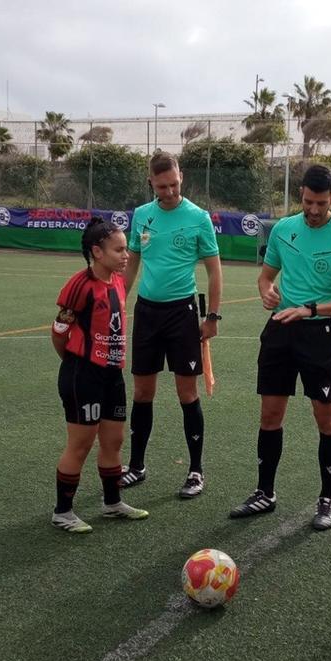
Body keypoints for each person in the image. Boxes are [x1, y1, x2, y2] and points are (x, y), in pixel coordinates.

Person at [229, 164, 331, 530]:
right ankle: (265, 492)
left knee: (326, 418)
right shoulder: (284, 229)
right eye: (307, 202)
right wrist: (266, 292)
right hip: (280, 330)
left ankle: (327, 499)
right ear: (300, 195)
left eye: (321, 203)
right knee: (270, 416)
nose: (314, 210)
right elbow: (266, 276)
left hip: (318, 334)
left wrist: (310, 309)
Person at [120, 152, 223, 499]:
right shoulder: (141, 216)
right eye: (162, 186)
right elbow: (131, 264)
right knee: (142, 393)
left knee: (187, 394)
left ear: (182, 178)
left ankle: (195, 470)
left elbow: (214, 271)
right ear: (150, 182)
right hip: (147, 313)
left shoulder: (198, 218)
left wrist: (212, 317)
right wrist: (117, 302)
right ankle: (137, 466)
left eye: (174, 184)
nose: (169, 192)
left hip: (182, 314)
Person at [49, 218, 149, 533]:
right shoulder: (80, 285)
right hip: (83, 374)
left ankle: (112, 503)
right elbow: (58, 331)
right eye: (118, 250)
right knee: (80, 444)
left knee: (114, 440)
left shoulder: (117, 281)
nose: (126, 255)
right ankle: (63, 512)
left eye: (126, 249)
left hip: (112, 375)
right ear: (97, 252)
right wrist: (75, 362)